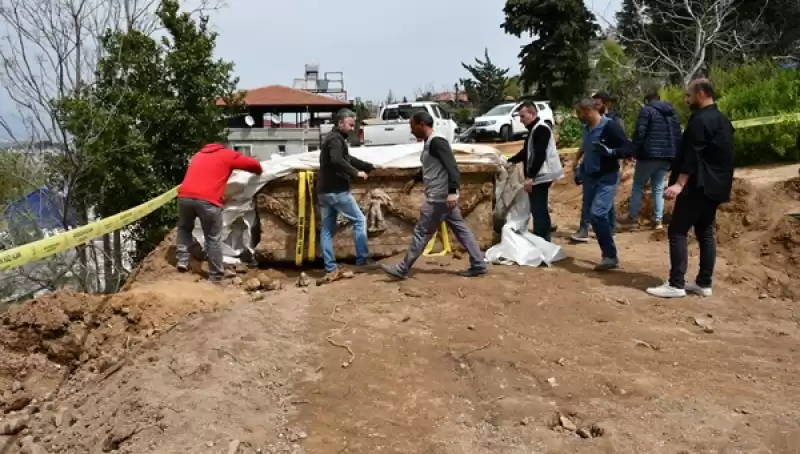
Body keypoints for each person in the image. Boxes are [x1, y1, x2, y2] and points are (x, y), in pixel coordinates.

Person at [646, 79, 734, 299]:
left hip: (696, 185)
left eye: (689, 95)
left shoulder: (699, 121)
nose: (686, 99)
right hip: (716, 186)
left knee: (677, 230)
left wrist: (679, 184)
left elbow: (691, 155)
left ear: (701, 94)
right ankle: (704, 283)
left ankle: (676, 283)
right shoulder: (723, 120)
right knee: (705, 231)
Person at [380, 111, 487, 279]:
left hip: (439, 198)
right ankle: (479, 263)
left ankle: (402, 268)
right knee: (462, 230)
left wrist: (453, 192)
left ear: (422, 124)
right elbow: (430, 167)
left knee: (422, 233)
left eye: (412, 126)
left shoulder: (437, 142)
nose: (411, 130)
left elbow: (452, 167)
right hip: (443, 198)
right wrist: (415, 180)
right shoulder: (430, 143)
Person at [176, 143, 264, 283]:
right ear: (222, 146)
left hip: (184, 197)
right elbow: (252, 165)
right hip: (208, 201)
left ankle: (182, 260)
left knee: (184, 228)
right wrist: (259, 169)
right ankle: (216, 276)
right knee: (212, 237)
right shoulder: (226, 154)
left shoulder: (198, 156)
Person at [573, 98, 633, 270]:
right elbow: (586, 149)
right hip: (590, 178)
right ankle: (608, 252)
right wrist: (579, 168)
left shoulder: (610, 127)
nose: (579, 116)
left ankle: (610, 256)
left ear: (589, 110)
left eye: (580, 113)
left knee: (598, 214)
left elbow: (629, 149)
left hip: (607, 177)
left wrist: (610, 152)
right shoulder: (587, 129)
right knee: (597, 216)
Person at [318, 108, 378, 280]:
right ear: (340, 123)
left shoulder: (333, 139)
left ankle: (330, 267)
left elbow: (347, 159)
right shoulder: (335, 140)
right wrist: (356, 173)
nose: (353, 128)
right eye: (351, 125)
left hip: (324, 191)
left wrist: (367, 165)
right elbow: (338, 161)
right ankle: (362, 260)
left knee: (327, 230)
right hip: (337, 191)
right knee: (359, 220)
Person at [619, 92, 682, 230]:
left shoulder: (647, 110)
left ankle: (632, 218)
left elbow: (640, 132)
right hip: (667, 156)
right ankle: (657, 220)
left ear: (647, 100)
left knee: (638, 186)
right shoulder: (672, 113)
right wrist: (675, 155)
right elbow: (678, 135)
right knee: (658, 188)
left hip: (648, 155)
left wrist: (634, 151)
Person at [506, 101, 564, 240]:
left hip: (542, 175)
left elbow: (539, 154)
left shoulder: (541, 129)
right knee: (539, 208)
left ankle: (542, 239)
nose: (521, 120)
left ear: (532, 114)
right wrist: (510, 160)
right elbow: (526, 151)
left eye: (523, 116)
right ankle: (543, 235)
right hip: (539, 174)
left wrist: (530, 177)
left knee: (538, 209)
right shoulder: (534, 129)